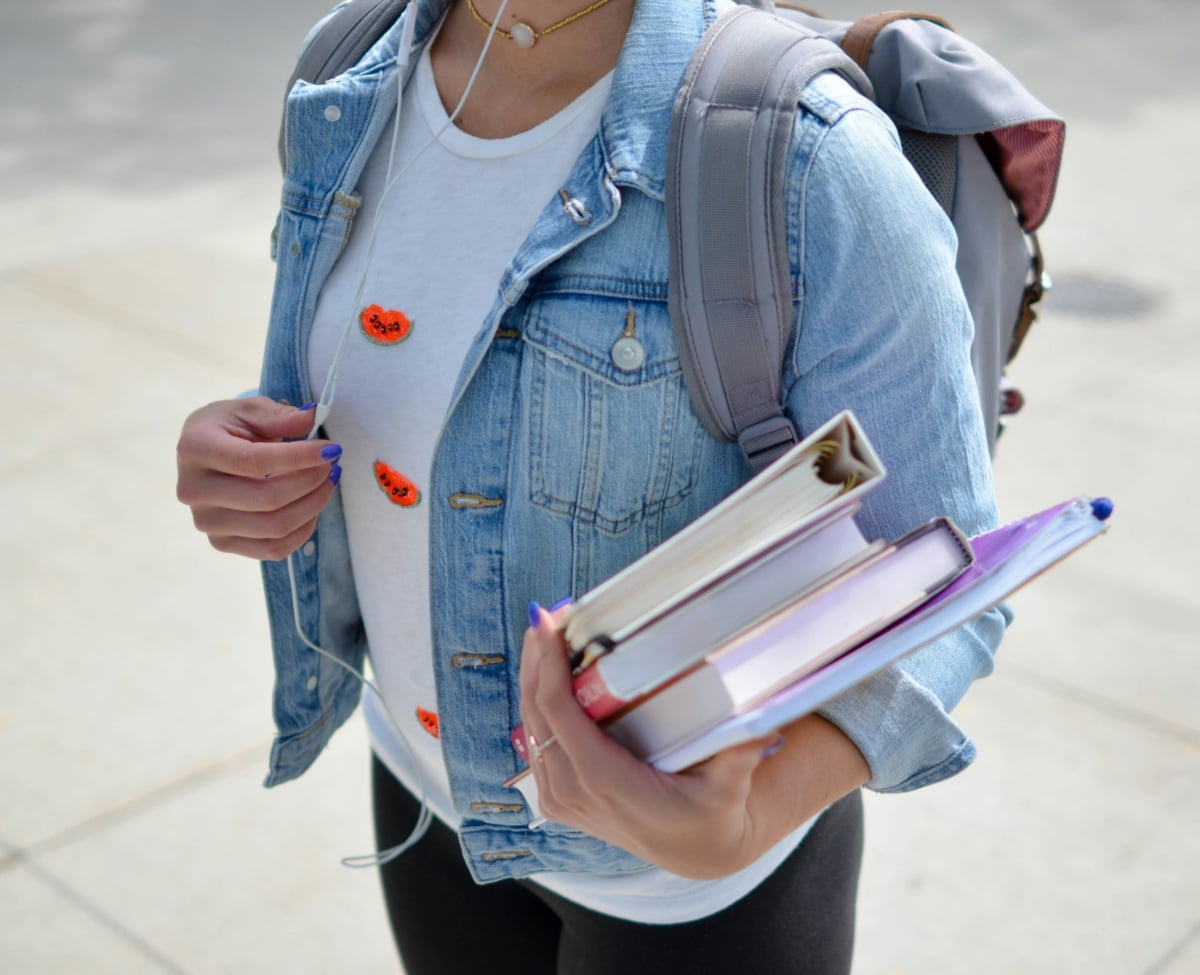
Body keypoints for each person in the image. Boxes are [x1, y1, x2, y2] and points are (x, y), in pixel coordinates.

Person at [175, 0, 1007, 971]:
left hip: (693, 892)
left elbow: (944, 575)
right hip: (423, 790)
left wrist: (747, 820)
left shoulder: (808, 156)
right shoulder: (347, 69)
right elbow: (389, 372)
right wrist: (244, 447)